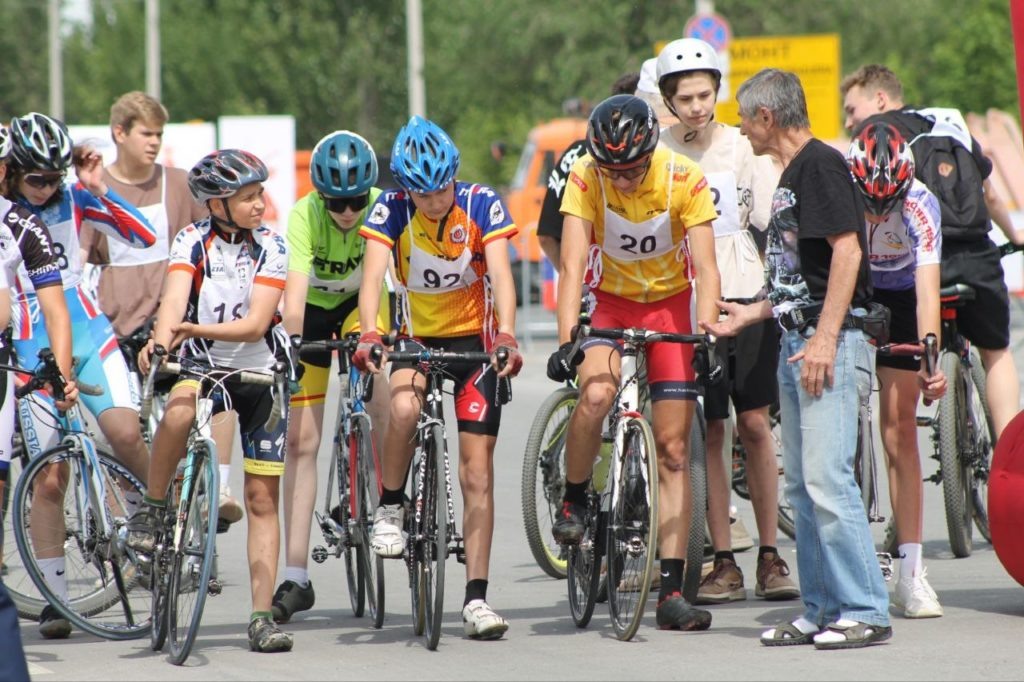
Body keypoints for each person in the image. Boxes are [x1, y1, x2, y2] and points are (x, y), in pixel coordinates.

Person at [705, 68, 892, 649]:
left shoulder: (820, 165)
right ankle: (822, 608)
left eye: (744, 117)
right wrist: (752, 314)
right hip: (796, 341)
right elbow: (800, 277)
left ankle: (865, 609)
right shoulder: (791, 173)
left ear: (767, 116)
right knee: (805, 491)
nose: (740, 128)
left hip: (826, 343)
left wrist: (825, 339)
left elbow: (847, 253)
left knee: (828, 481)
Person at [548, 94, 721, 631]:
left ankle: (671, 591)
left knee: (673, 451)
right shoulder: (585, 175)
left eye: (631, 170)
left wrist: (707, 330)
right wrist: (567, 339)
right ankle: (575, 498)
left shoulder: (684, 178)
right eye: (612, 171)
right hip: (612, 303)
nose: (621, 180)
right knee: (596, 395)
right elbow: (571, 264)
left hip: (669, 305)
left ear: (650, 155)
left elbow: (707, 268)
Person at [355, 115, 523, 640]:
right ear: (406, 189)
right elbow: (372, 277)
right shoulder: (391, 208)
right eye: (422, 194)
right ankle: (390, 505)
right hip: (417, 339)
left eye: (441, 189)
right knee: (404, 408)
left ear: (455, 176)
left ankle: (477, 599)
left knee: (477, 474)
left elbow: (502, 274)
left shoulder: (481, 203)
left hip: (475, 344)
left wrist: (508, 334)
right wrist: (369, 331)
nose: (433, 201)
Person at [125, 149, 295, 653]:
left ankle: (261, 618)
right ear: (217, 204)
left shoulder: (273, 246)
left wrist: (192, 329)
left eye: (260, 193)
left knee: (262, 499)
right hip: (203, 364)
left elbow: (256, 324)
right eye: (248, 197)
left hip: (259, 370)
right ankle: (154, 509)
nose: (260, 204)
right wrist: (161, 342)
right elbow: (175, 302)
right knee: (179, 411)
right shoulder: (190, 240)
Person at [653, 38, 796, 606]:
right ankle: (723, 559)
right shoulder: (657, 152)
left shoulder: (741, 146)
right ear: (668, 99)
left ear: (717, 92)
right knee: (712, 430)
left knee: (754, 424)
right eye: (685, 98)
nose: (696, 107)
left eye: (704, 95)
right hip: (689, 303)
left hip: (744, 292)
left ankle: (770, 554)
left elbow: (768, 217)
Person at [5, 112, 155, 639]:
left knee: (125, 434)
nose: (47, 188)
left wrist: (97, 189)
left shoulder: (75, 197)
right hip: (31, 341)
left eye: (55, 177)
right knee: (50, 477)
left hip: (87, 329)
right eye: (36, 178)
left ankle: (156, 525)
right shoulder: (5, 213)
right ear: (12, 171)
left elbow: (144, 236)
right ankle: (56, 598)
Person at [80, 91, 245, 531]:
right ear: (120, 133)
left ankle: (210, 496)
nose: (154, 142)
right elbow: (79, 260)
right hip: (116, 330)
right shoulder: (96, 190)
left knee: (207, 399)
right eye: (146, 133)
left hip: (174, 330)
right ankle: (142, 523)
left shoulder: (178, 184)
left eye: (159, 134)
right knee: (124, 437)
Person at [841, 64, 1023, 437]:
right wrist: (1014, 236)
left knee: (910, 360)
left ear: (880, 98)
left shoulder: (877, 139)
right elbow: (988, 193)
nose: (849, 121)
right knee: (996, 351)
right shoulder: (948, 121)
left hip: (918, 261)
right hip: (974, 253)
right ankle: (1009, 451)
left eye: (851, 109)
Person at [272, 130, 392, 623]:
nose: (347, 212)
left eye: (356, 201)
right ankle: (296, 576)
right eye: (336, 203)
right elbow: (295, 296)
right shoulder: (304, 214)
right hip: (315, 313)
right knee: (301, 443)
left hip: (361, 306)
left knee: (379, 381)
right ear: (320, 196)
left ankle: (386, 495)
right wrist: (292, 348)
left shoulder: (383, 206)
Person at [846, 122, 947, 617]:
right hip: (853, 285)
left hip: (903, 295)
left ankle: (911, 573)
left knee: (899, 429)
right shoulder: (840, 187)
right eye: (870, 203)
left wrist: (930, 362)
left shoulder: (921, 202)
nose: (877, 213)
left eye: (888, 204)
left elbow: (928, 292)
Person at [536, 72, 640, 269]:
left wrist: (577, 280)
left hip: (597, 281)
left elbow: (547, 236)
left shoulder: (578, 153)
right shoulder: (671, 156)